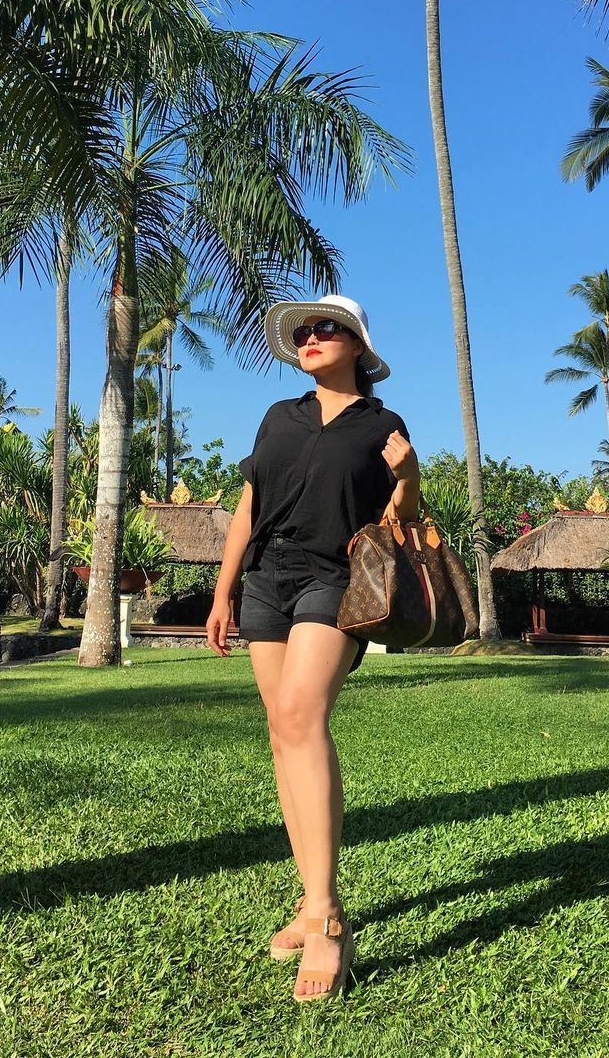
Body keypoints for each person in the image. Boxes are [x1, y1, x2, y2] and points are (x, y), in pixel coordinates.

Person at [206, 294, 419, 1004]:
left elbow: (399, 521)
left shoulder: (383, 425)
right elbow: (248, 508)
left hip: (337, 579)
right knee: (282, 732)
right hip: (267, 580)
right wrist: (222, 592)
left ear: (358, 345)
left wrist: (409, 477)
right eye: (303, 330)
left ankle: (326, 917)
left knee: (302, 716)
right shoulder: (278, 417)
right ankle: (309, 899)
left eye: (327, 328)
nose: (311, 336)